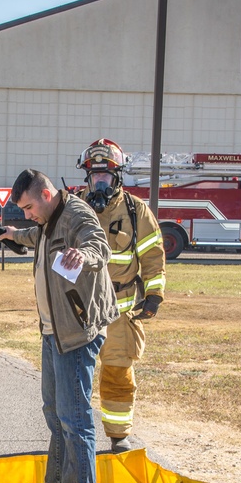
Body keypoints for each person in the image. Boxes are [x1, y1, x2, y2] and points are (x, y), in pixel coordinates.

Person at [0, 169, 118, 483]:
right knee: (54, 412)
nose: (27, 215)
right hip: (53, 331)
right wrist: (14, 233)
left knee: (75, 417)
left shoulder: (77, 215)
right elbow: (39, 237)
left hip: (76, 331)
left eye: (28, 209)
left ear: (46, 196)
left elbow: (99, 247)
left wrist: (84, 254)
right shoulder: (46, 220)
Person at [76, 139, 166, 452]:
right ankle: (72, 438)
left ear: (118, 177)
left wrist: (154, 295)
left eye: (107, 176)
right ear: (88, 177)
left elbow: (153, 255)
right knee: (73, 377)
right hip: (79, 311)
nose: (100, 182)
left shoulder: (135, 211)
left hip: (118, 312)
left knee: (117, 373)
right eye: (95, 176)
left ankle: (118, 436)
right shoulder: (73, 206)